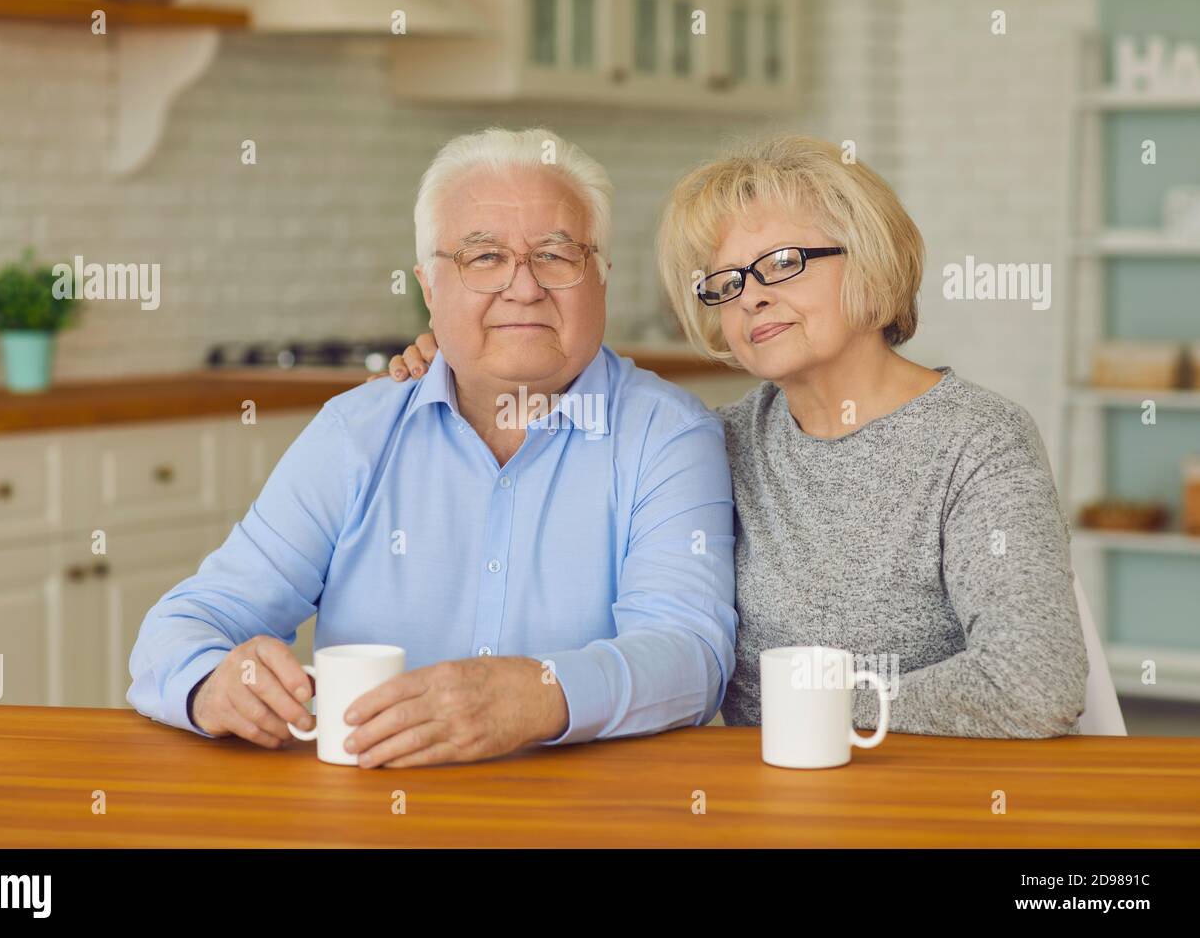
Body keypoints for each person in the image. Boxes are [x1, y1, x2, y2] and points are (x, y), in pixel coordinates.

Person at [388, 133, 1089, 738]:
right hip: (767, 801)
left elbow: (1034, 681)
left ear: (871, 259)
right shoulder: (711, 444)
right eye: (725, 282)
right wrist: (459, 367)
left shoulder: (977, 439)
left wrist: (812, 707)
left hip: (934, 804)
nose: (750, 295)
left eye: (783, 263)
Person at [127, 127, 738, 767]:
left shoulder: (667, 434)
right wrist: (211, 684)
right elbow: (187, 622)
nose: (523, 287)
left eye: (557, 256)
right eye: (484, 258)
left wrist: (537, 695)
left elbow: (690, 655)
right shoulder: (355, 433)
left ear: (602, 277)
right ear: (428, 286)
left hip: (590, 821)